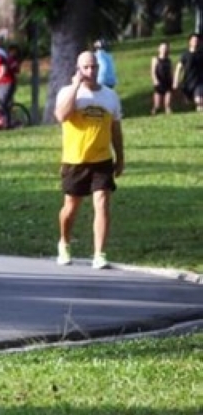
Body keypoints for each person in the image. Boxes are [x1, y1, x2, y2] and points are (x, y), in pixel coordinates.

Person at [54, 50, 124, 270]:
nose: (90, 71)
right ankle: (64, 243)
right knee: (70, 208)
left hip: (101, 159)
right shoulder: (67, 92)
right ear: (78, 68)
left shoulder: (110, 96)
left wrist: (120, 157)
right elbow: (62, 116)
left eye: (94, 67)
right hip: (75, 160)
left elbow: (116, 130)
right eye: (86, 67)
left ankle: (99, 254)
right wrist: (76, 86)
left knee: (102, 203)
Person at [173, 32, 203, 111]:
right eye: (193, 40)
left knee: (199, 101)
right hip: (188, 82)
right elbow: (178, 68)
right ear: (190, 42)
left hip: (199, 82)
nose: (195, 42)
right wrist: (175, 81)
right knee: (187, 103)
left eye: (197, 40)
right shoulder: (185, 55)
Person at [150, 40, 173, 115]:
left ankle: (169, 114)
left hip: (167, 82)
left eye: (166, 48)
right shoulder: (155, 59)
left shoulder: (169, 60)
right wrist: (155, 80)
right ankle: (153, 114)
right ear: (159, 49)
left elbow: (170, 72)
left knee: (167, 104)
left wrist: (173, 81)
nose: (164, 50)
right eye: (162, 48)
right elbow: (153, 71)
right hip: (159, 83)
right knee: (157, 106)